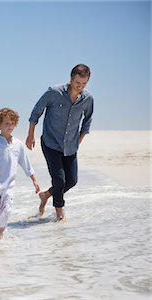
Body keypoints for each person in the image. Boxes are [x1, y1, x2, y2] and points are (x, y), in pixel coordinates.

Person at [26, 64, 94, 221]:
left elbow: (87, 122)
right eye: (78, 83)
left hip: (70, 146)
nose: (80, 87)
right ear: (71, 79)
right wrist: (31, 135)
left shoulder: (88, 99)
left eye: (84, 84)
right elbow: (36, 112)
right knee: (59, 179)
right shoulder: (54, 92)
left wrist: (78, 142)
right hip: (51, 143)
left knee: (72, 181)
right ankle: (59, 214)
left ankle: (46, 195)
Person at [0, 108, 40, 239]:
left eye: (12, 123)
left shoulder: (18, 144)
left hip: (10, 184)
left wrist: (34, 180)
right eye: (6, 124)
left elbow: (25, 163)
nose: (10, 126)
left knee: (6, 211)